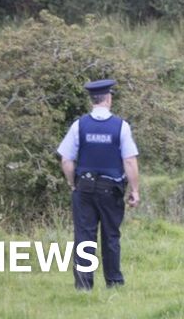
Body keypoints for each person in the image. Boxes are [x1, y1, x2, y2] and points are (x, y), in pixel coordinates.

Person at [57, 79, 140, 290]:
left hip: (84, 188)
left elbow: (66, 159)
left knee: (84, 237)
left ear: (92, 100)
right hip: (111, 190)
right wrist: (135, 190)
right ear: (109, 99)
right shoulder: (121, 126)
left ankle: (84, 285)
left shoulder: (79, 125)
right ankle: (114, 283)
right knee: (111, 236)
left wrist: (72, 182)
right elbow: (129, 161)